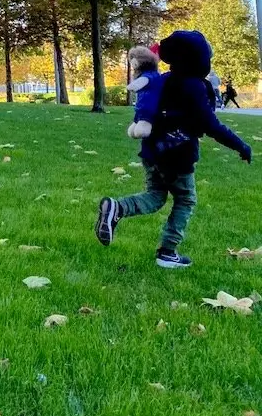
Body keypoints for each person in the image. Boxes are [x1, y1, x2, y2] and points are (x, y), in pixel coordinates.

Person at [95, 30, 251, 269]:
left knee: (156, 196)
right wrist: (240, 145)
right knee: (185, 199)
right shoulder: (195, 87)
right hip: (178, 155)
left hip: (152, 151)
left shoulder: (164, 79)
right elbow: (210, 125)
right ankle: (167, 252)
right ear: (199, 60)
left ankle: (117, 207)